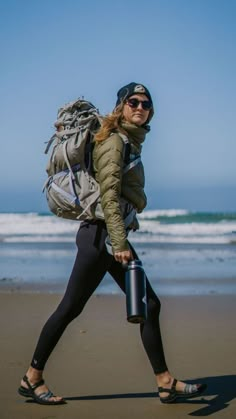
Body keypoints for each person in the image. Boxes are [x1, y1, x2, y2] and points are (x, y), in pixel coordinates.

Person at [18, 82, 207, 405]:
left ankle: (164, 382)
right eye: (132, 102)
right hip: (101, 238)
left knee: (149, 305)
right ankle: (32, 377)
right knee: (70, 308)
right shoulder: (115, 142)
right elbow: (108, 195)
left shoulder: (129, 141)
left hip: (108, 235)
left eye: (145, 104)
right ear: (121, 107)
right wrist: (118, 242)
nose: (139, 107)